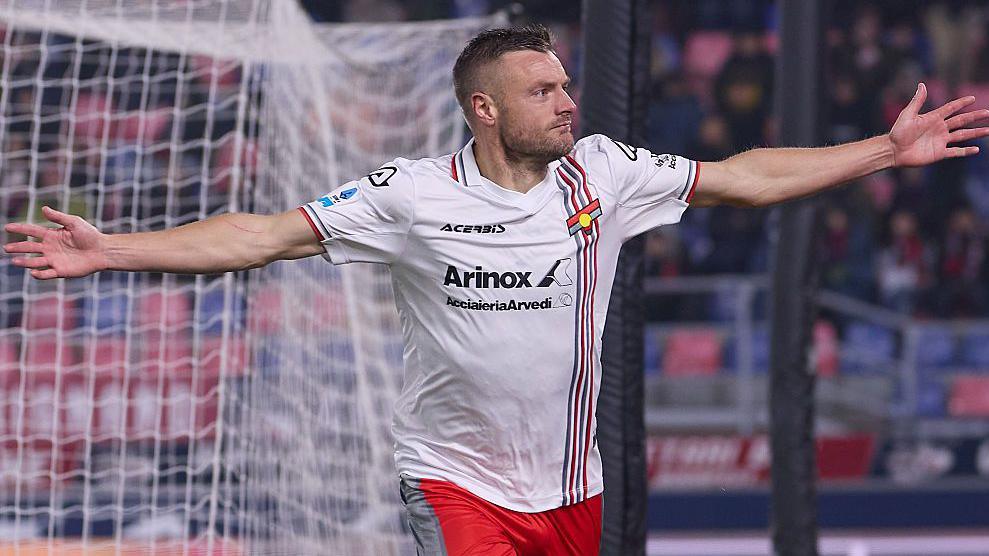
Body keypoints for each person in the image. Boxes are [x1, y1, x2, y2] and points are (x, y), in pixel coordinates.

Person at [4, 24, 988, 556]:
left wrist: (881, 152)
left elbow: (747, 173)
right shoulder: (408, 194)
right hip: (453, 485)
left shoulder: (603, 173)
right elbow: (261, 235)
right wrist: (115, 249)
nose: (567, 101)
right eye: (543, 91)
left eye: (565, 86)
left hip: (571, 492)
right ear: (483, 108)